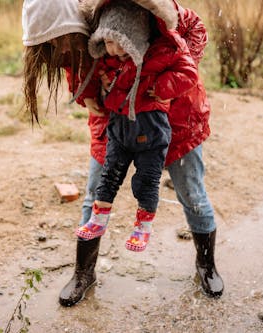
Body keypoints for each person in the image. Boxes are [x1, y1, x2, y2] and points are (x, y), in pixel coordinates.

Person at [22, 0, 223, 308]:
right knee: (95, 194)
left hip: (174, 119)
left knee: (192, 194)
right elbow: (77, 71)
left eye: (58, 45)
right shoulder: (81, 28)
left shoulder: (159, 11)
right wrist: (89, 95)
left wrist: (170, 80)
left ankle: (206, 265)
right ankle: (83, 273)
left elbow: (195, 30)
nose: (59, 53)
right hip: (114, 121)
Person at [71, 0, 198, 255]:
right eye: (107, 42)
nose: (115, 50)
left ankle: (143, 226)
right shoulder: (107, 60)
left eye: (122, 43)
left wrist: (163, 87)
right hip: (119, 129)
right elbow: (84, 71)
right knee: (107, 178)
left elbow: (189, 73)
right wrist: (94, 88)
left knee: (146, 181)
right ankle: (97, 221)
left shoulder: (164, 53)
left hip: (151, 131)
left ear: (137, 37)